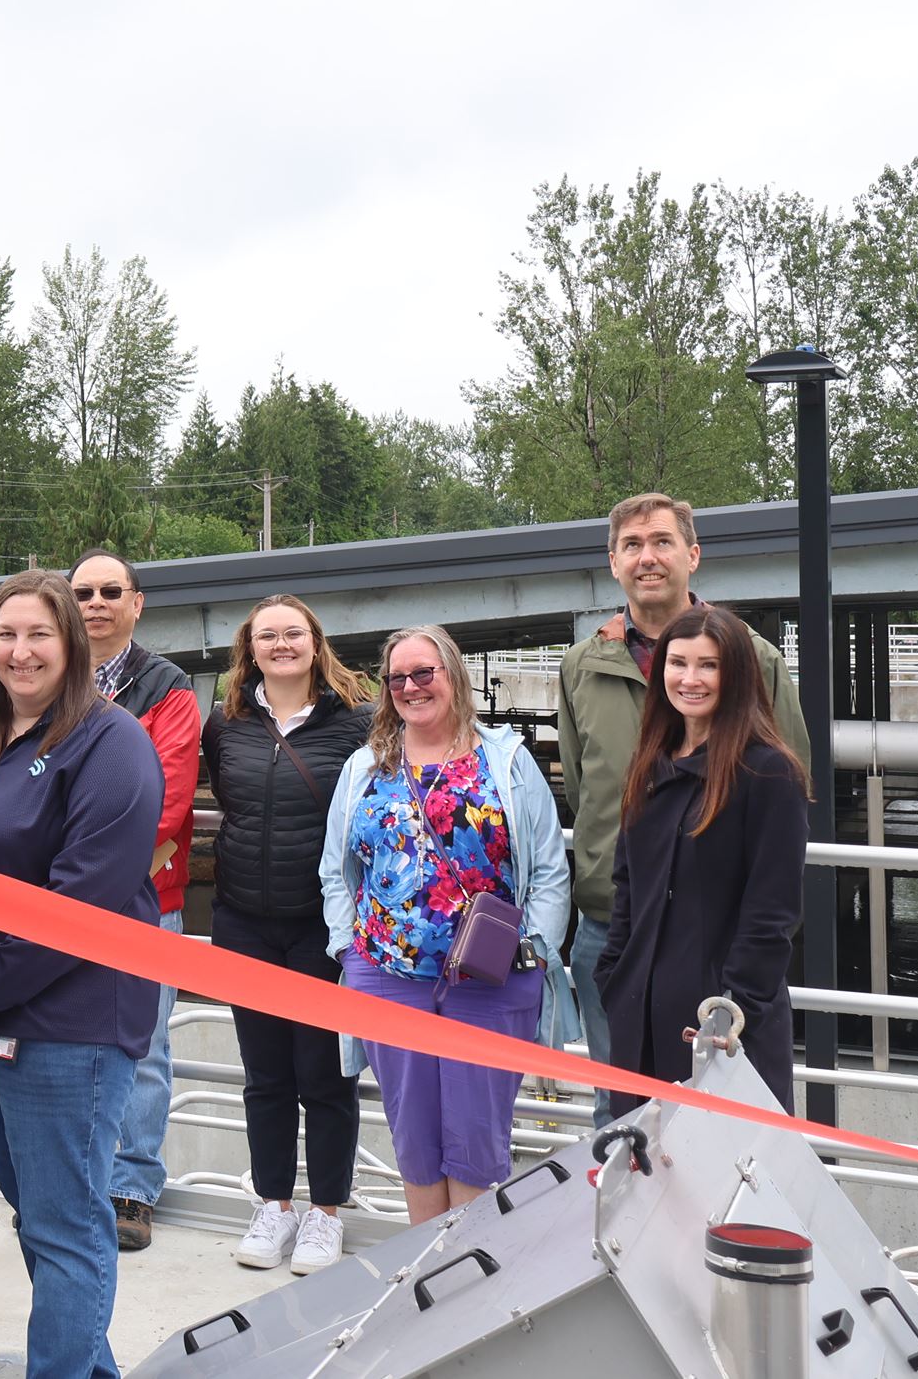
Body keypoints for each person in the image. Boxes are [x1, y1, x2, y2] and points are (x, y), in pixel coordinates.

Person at [0, 572, 162, 1379]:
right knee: (43, 1221)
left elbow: (78, 899)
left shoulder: (112, 742)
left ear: (73, 646)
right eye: (5, 635)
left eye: (39, 635)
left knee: (63, 1226)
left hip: (66, 1027)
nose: (20, 651)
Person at [558, 492, 803, 1125]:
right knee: (622, 1125)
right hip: (617, 936)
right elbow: (588, 785)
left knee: (719, 1136)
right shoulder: (583, 666)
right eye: (632, 546)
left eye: (662, 542)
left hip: (714, 946)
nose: (648, 558)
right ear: (613, 562)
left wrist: (741, 991)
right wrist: (613, 961)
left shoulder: (757, 659)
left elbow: (786, 803)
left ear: (693, 555)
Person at [322, 625, 576, 1225]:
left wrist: (531, 951)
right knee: (414, 1140)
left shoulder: (507, 763)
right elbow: (337, 869)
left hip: (488, 982)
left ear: (453, 676)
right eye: (397, 678)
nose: (411, 687)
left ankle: (470, 1280)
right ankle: (428, 1283)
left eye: (424, 673)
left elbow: (547, 871)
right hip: (387, 976)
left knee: (477, 1143)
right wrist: (347, 953)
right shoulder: (365, 768)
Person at [199, 594, 370, 1273]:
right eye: (266, 635)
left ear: (314, 640)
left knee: (324, 1074)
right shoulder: (227, 723)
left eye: (292, 632)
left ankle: (326, 1211)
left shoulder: (354, 722)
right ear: (250, 647)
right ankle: (273, 1203)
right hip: (244, 918)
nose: (280, 644)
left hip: (321, 925)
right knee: (265, 1074)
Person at [598, 604, 809, 1114]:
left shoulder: (768, 773)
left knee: (716, 1183)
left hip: (721, 1026)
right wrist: (614, 974)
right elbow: (627, 884)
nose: (690, 679)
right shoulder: (649, 764)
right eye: (678, 663)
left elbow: (772, 911)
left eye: (708, 665)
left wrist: (732, 1012)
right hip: (640, 1015)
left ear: (735, 674)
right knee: (645, 1177)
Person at [67, 548, 200, 1254]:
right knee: (61, 1039)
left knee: (144, 1041)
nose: (95, 602)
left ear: (137, 602)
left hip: (144, 898)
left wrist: (79, 864)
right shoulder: (47, 675)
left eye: (110, 590)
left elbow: (168, 800)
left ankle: (132, 1186)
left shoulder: (167, 687)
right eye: (83, 590)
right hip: (63, 899)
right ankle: (73, 1181)